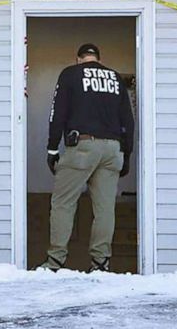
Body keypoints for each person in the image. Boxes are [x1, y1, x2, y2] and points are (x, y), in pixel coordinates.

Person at [40, 43, 135, 273]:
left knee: (63, 203)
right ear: (98, 59)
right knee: (104, 208)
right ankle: (101, 263)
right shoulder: (114, 78)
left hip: (83, 146)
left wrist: (52, 149)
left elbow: (58, 112)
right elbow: (128, 120)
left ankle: (55, 262)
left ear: (78, 59)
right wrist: (127, 154)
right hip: (113, 150)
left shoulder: (71, 74)